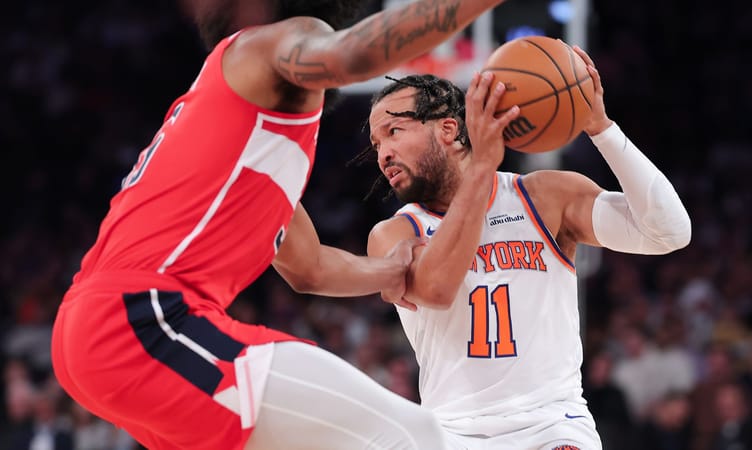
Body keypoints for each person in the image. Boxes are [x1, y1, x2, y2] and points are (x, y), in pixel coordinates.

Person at [50, 0, 509, 449]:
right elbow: (356, 54)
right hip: (142, 319)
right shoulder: (267, 45)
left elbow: (308, 266)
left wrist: (392, 270)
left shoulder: (248, 138)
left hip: (95, 329)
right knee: (412, 437)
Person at [365, 46, 691, 449]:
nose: (383, 155)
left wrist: (601, 128)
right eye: (376, 143)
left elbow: (669, 232)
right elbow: (436, 288)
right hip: (455, 433)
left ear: (448, 130)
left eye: (393, 132)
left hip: (552, 425)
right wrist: (482, 169)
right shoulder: (395, 234)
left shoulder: (543, 197)